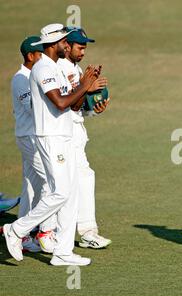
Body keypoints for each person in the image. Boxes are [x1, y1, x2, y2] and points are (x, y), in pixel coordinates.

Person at [3, 23, 100, 266]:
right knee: (59, 193)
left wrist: (86, 86)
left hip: (65, 135)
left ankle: (63, 253)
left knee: (71, 195)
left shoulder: (55, 67)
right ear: (54, 43)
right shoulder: (43, 67)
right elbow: (59, 102)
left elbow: (73, 104)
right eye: (64, 41)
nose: (67, 44)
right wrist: (83, 87)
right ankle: (16, 230)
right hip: (51, 137)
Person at [57, 27, 111, 249]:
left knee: (82, 178)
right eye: (80, 47)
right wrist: (86, 87)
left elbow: (77, 106)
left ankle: (85, 231)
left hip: (76, 131)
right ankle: (45, 231)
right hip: (62, 134)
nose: (83, 51)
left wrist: (93, 108)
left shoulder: (76, 68)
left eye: (85, 47)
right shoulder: (57, 67)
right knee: (63, 183)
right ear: (66, 45)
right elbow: (62, 101)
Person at [10, 36, 56, 253]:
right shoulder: (21, 78)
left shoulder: (34, 75)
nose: (44, 58)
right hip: (29, 137)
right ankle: (45, 232)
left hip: (33, 136)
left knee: (31, 185)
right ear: (30, 56)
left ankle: (23, 237)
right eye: (41, 54)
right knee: (51, 181)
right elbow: (33, 108)